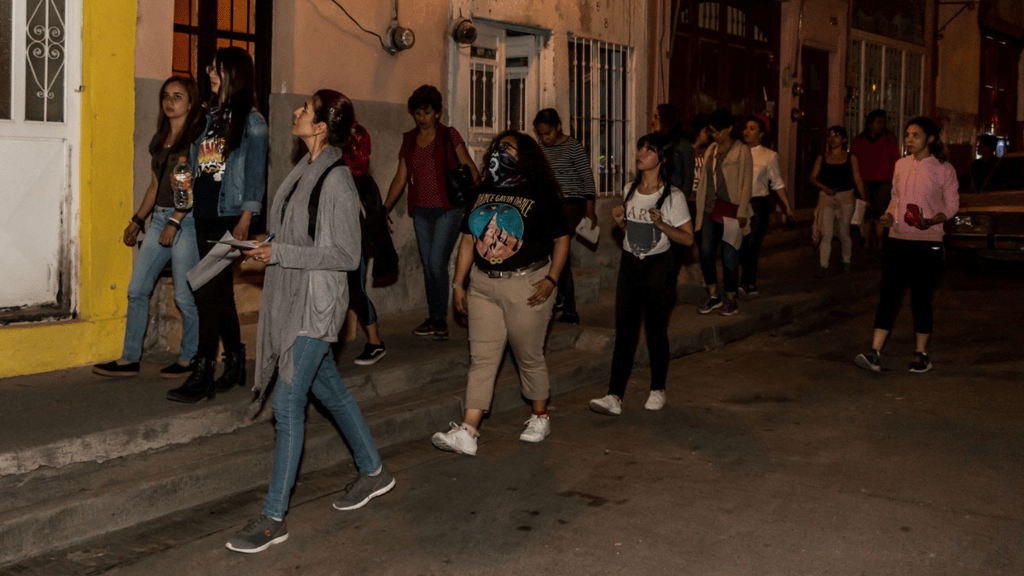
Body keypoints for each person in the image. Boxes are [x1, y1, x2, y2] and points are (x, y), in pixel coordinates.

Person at [226, 90, 395, 554]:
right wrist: (263, 244)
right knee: (331, 392)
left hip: (316, 305)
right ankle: (374, 471)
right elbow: (298, 230)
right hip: (293, 298)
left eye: (305, 109)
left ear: (320, 127)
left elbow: (345, 255)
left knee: (286, 404)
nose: (297, 112)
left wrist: (280, 252)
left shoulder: (337, 179)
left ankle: (274, 517)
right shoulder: (304, 169)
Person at [431, 130, 569, 456]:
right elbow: (467, 239)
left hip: (527, 283)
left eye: (507, 148)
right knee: (482, 358)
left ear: (526, 156)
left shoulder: (542, 191)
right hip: (483, 285)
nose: (500, 153)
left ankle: (540, 415)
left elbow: (562, 239)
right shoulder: (483, 190)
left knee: (528, 354)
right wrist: (459, 282)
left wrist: (551, 279)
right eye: (497, 148)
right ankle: (468, 431)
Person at [167, 47, 268, 403]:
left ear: (235, 75)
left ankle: (203, 371)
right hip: (204, 214)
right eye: (210, 67)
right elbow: (198, 168)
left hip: (229, 216)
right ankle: (236, 362)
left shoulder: (252, 122)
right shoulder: (208, 118)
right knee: (219, 292)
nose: (211, 73)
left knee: (206, 293)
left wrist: (245, 221)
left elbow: (255, 177)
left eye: (219, 68)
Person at [93, 76, 204, 378]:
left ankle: (191, 357)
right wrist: (137, 220)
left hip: (186, 221)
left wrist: (175, 221)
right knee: (137, 289)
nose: (170, 101)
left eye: (178, 96)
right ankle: (130, 359)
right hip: (159, 219)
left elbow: (191, 188)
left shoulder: (195, 142)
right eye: (166, 96)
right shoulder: (160, 140)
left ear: (191, 103)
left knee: (184, 296)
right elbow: (155, 187)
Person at [589, 133, 694, 416]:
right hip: (630, 265)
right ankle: (614, 395)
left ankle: (657, 388)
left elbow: (687, 239)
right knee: (625, 330)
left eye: (649, 150)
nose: (641, 153)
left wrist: (663, 226)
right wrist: (622, 222)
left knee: (656, 330)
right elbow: (630, 233)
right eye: (640, 148)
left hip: (658, 267)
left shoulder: (673, 196)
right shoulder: (628, 190)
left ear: (660, 159)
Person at [854, 117, 959, 374]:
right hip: (898, 240)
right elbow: (896, 199)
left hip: (927, 242)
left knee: (921, 299)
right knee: (889, 296)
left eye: (916, 135)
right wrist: (889, 216)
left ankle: (921, 354)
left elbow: (951, 206)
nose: (910, 140)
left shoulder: (944, 169)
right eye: (908, 135)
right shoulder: (900, 165)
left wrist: (931, 221)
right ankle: (874, 352)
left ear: (930, 139)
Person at [383, 85, 481, 340]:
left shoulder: (449, 135)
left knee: (437, 261)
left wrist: (477, 202)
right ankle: (436, 319)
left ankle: (439, 318)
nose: (421, 118)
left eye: (426, 113)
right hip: (422, 211)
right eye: (417, 113)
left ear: (437, 113)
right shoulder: (409, 139)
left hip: (449, 209)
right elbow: (401, 176)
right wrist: (385, 207)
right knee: (429, 265)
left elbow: (470, 169)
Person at [533, 108, 596, 325]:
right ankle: (567, 306)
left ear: (558, 127)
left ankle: (562, 298)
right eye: (540, 134)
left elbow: (587, 178)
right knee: (560, 253)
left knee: (557, 245)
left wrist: (590, 210)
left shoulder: (573, 146)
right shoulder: (541, 149)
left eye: (547, 133)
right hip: (551, 204)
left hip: (573, 203)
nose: (544, 138)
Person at [694, 109, 752, 316]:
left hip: (731, 210)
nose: (715, 135)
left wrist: (742, 211)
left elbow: (746, 183)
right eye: (712, 131)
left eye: (718, 131)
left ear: (728, 128)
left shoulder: (741, 151)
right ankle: (713, 294)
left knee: (729, 256)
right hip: (710, 208)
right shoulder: (712, 149)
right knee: (706, 251)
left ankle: (731, 298)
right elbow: (705, 180)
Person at [344, 120, 387, 365]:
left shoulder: (357, 174)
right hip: (337, 240)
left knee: (355, 291)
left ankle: (375, 342)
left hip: (353, 240)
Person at [738, 115, 795, 295]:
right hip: (739, 204)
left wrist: (788, 208)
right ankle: (745, 281)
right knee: (740, 244)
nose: (747, 131)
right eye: (746, 127)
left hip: (758, 204)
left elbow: (777, 183)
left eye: (752, 128)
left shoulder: (769, 156)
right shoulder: (736, 152)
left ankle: (748, 282)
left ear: (761, 134)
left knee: (752, 243)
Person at [809, 126, 866, 277]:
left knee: (843, 233)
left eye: (836, 136)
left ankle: (846, 261)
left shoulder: (851, 158)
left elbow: (858, 179)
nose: (832, 139)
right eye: (830, 136)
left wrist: (864, 198)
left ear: (844, 139)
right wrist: (824, 188)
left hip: (846, 198)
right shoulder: (822, 157)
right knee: (826, 233)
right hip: (827, 198)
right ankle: (823, 265)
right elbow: (812, 178)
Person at [850, 110, 901, 247]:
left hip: (884, 182)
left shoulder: (889, 138)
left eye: (883, 122)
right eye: (878, 122)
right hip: (864, 182)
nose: (882, 125)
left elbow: (896, 159)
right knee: (866, 215)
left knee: (880, 214)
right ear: (869, 124)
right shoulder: (859, 140)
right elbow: (853, 162)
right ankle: (865, 241)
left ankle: (879, 241)